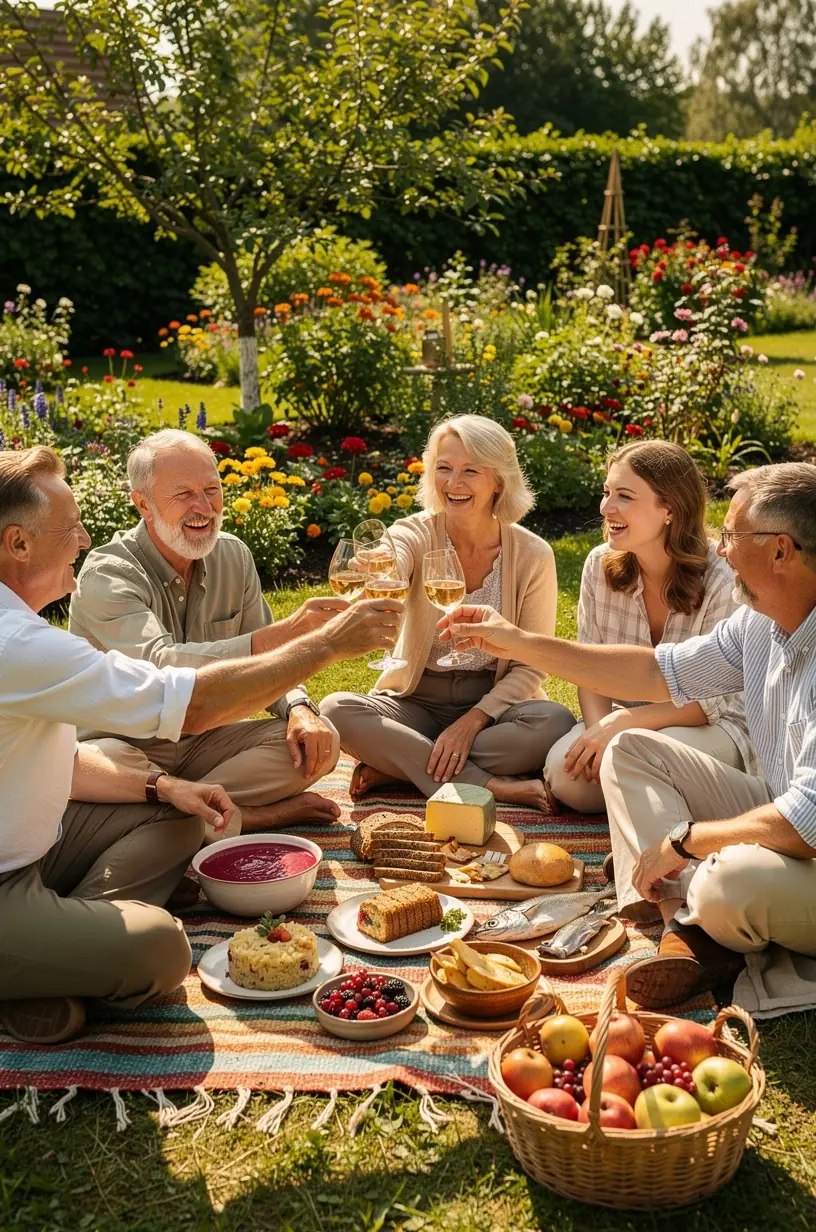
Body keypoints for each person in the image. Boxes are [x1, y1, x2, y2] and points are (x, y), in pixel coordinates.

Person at [0, 445, 401, 1043]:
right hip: (17, 868)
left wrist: (166, 787)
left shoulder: (24, 633)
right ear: (18, 544)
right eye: (71, 527)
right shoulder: (19, 644)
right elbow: (187, 703)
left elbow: (59, 760)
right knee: (161, 948)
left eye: (210, 489)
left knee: (186, 815)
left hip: (44, 843)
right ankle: (47, 964)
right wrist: (321, 644)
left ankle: (58, 951)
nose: (83, 540)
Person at [439, 462, 816, 1008]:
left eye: (733, 536)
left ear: (781, 551)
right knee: (630, 749)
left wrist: (683, 840)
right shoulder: (759, 623)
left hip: (805, 831)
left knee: (726, 880)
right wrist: (517, 641)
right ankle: (681, 933)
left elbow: (808, 824)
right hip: (782, 809)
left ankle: (694, 931)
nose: (723, 550)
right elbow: (651, 672)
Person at [69, 430, 345, 840]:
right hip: (125, 746)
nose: (204, 508)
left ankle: (177, 824)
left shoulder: (233, 555)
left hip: (203, 741)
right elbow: (162, 665)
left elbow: (268, 668)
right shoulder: (107, 575)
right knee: (105, 766)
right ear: (142, 503)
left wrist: (299, 707)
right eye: (183, 494)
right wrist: (288, 632)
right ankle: (249, 818)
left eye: (212, 490)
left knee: (319, 743)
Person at [322, 414, 575, 809]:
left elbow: (532, 663)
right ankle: (490, 785)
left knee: (554, 723)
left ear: (499, 481)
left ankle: (400, 768)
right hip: (415, 700)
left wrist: (473, 720)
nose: (453, 484)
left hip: (493, 706)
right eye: (444, 468)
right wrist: (382, 561)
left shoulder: (532, 555)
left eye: (470, 471)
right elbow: (398, 549)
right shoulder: (417, 531)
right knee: (336, 710)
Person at [544, 441, 752, 814]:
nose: (606, 507)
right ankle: (665, 806)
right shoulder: (599, 566)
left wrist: (623, 724)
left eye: (624, 496)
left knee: (642, 759)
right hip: (626, 724)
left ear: (669, 508)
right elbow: (589, 668)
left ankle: (671, 827)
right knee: (566, 776)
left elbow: (709, 702)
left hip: (710, 724)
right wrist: (598, 732)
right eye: (607, 492)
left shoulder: (722, 577)